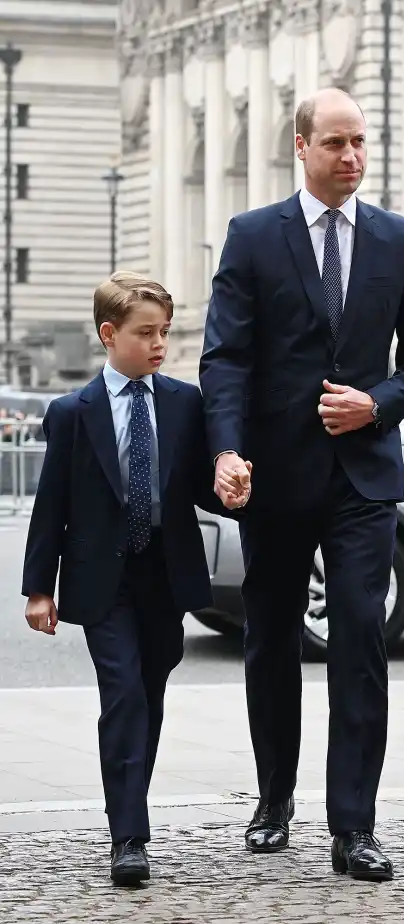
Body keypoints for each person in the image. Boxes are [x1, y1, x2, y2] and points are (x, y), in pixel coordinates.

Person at [200, 87, 404, 881]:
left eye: (360, 142)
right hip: (273, 478)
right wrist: (226, 451)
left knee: (361, 642)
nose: (352, 156)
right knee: (271, 640)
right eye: (336, 143)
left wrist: (377, 403)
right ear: (301, 146)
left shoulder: (399, 240)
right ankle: (274, 800)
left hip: (363, 480)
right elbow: (225, 358)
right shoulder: (252, 237)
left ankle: (354, 827)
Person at [20, 272, 247, 886]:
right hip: (103, 579)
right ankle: (129, 837)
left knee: (148, 695)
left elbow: (198, 485)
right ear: (108, 334)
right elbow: (52, 503)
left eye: (164, 332)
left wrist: (231, 491)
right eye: (146, 333)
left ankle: (129, 810)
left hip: (165, 575)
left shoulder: (183, 403)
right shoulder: (72, 413)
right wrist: (39, 587)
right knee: (122, 696)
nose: (159, 344)